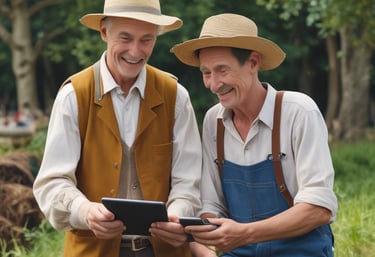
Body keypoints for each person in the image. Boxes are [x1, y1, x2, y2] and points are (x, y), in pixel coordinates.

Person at [33, 1, 202, 257]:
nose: (136, 51)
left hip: (164, 251)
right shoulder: (73, 95)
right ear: (104, 32)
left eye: (147, 40)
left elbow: (188, 181)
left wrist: (178, 213)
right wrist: (85, 211)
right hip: (92, 251)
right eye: (125, 38)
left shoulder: (175, 96)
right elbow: (53, 182)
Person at [171, 13, 338, 257]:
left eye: (222, 70)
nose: (214, 84)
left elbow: (318, 208)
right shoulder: (212, 121)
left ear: (253, 62)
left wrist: (244, 233)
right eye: (206, 72)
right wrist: (209, 230)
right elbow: (211, 204)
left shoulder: (299, 111)